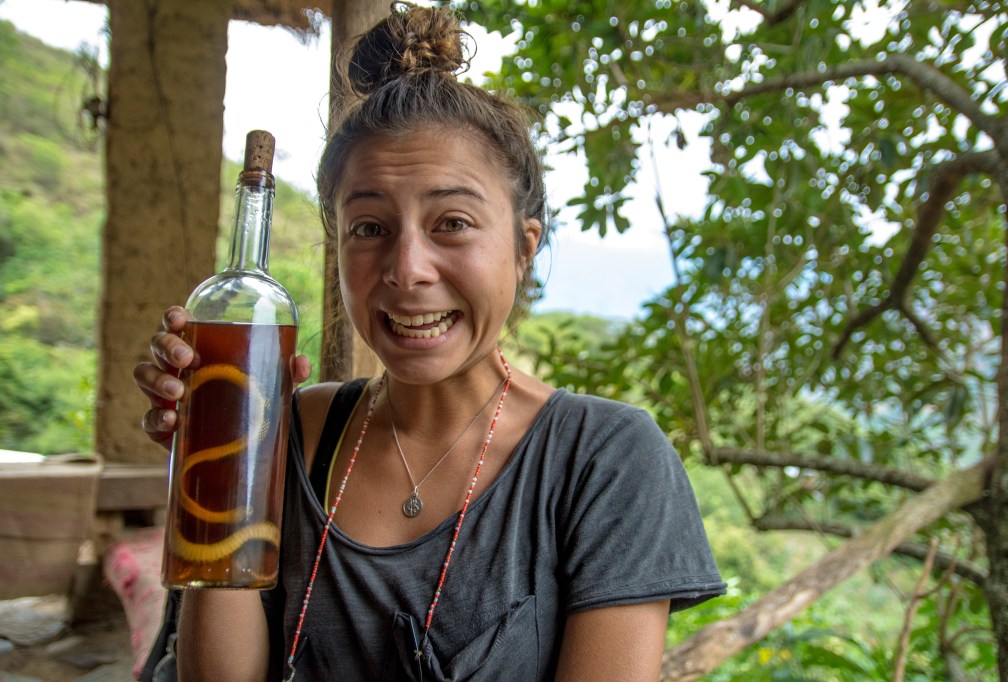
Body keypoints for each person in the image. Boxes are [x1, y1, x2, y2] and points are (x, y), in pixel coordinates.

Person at [133, 4, 725, 680]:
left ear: (523, 247)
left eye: (452, 222)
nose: (407, 269)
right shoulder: (289, 434)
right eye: (369, 228)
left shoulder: (604, 460)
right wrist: (218, 469)